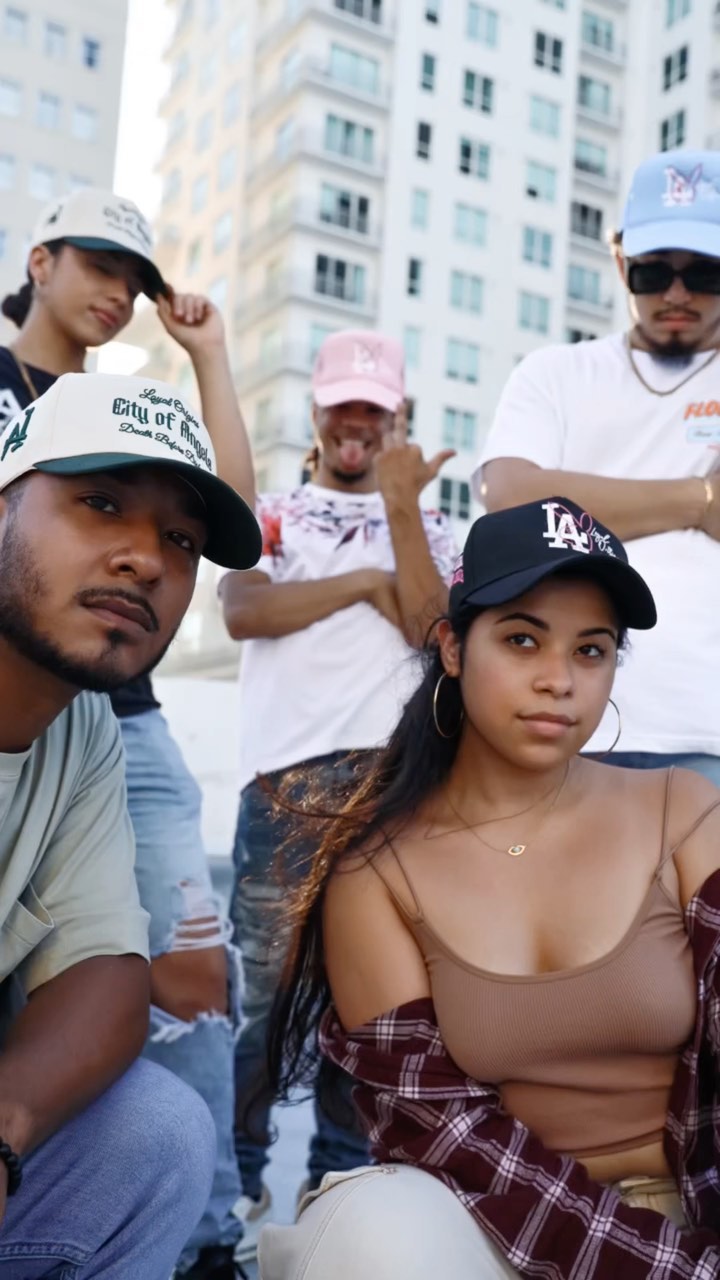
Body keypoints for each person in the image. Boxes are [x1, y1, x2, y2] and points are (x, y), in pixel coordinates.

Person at [257, 496, 720, 1279]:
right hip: (491, 1232)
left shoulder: (683, 813)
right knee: (371, 1232)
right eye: (522, 639)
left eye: (591, 650)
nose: (558, 681)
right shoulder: (377, 874)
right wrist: (680, 1271)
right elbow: (450, 1139)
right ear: (452, 647)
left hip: (696, 1209)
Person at [0, 187, 255, 1278]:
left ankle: (213, 1244)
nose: (148, 557)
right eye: (101, 504)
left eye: (178, 540)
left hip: (111, 720)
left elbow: (106, 966)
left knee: (162, 1113)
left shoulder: (85, 738)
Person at [218, 328, 458, 1259]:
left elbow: (432, 632)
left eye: (375, 409)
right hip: (284, 788)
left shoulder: (433, 528)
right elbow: (245, 609)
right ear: (316, 411)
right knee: (263, 1005)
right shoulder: (273, 514)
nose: (356, 422)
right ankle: (234, 1185)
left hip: (394, 788)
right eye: (342, 405)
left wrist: (401, 510)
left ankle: (338, 1188)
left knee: (370, 1008)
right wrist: (361, 579)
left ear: (400, 418)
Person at [475, 147, 720, 785]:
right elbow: (510, 498)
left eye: (704, 273)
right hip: (561, 723)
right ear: (619, 262)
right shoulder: (555, 373)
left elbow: (539, 504)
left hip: (708, 731)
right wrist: (698, 500)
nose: (676, 293)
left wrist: (571, 498)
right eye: (652, 272)